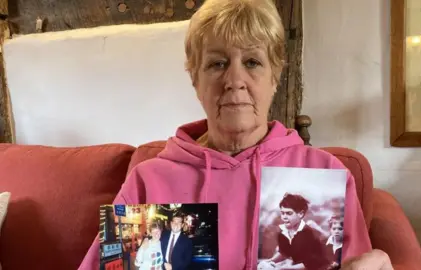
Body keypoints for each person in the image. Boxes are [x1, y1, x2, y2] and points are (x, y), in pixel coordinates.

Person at [79, 0, 393, 269]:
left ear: (276, 76)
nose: (234, 79)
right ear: (195, 79)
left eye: (253, 62)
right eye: (217, 64)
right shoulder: (148, 181)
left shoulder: (324, 175)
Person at [261, 193, 333, 269]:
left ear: (300, 214)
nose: (284, 217)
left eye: (289, 213)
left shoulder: (308, 233)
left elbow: (312, 263)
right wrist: (270, 261)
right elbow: (284, 252)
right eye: (282, 213)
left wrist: (288, 268)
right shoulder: (283, 233)